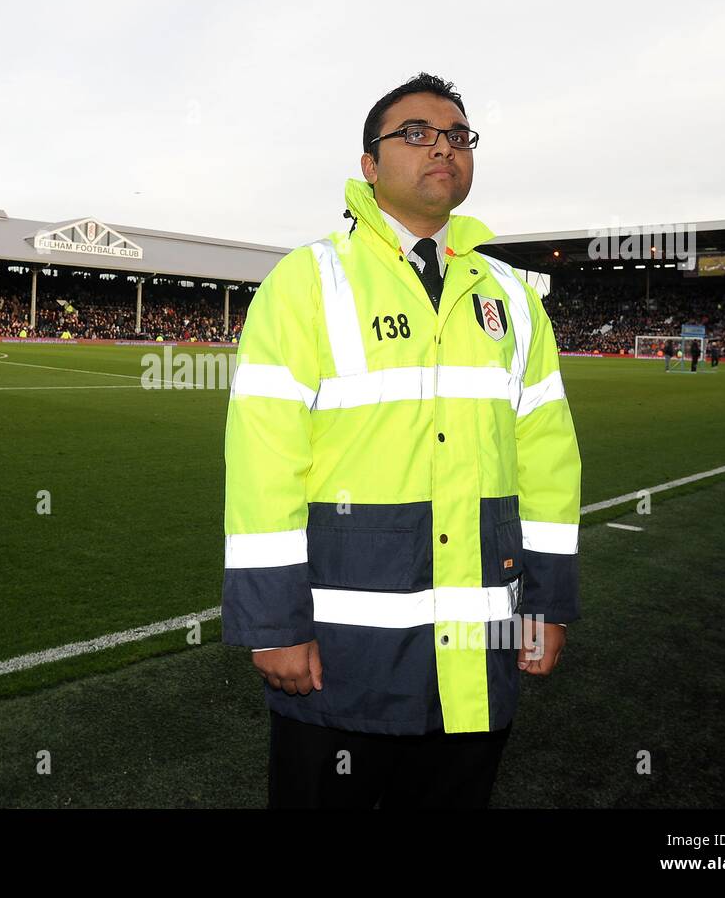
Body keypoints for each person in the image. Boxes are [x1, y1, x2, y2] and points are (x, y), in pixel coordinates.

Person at [222, 73, 581, 809]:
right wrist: (272, 623)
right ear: (370, 164)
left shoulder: (514, 297)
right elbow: (263, 463)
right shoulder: (308, 281)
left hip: (480, 659)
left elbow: (548, 460)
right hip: (340, 660)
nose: (441, 146)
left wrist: (549, 603)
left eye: (457, 135)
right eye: (414, 133)